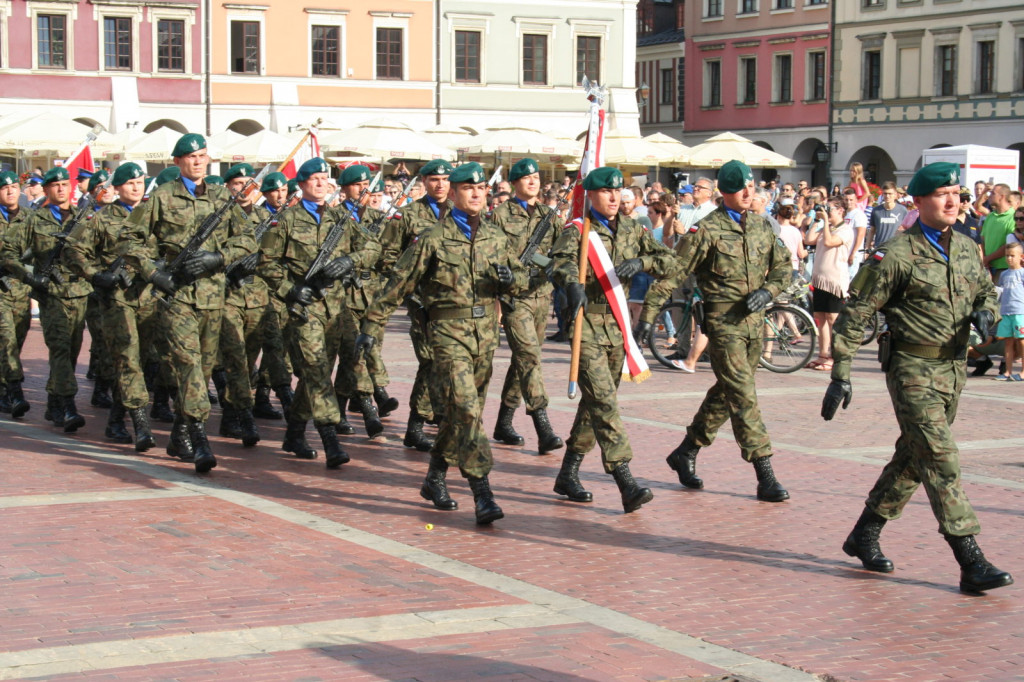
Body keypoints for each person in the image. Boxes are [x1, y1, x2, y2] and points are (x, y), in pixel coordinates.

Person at [822, 162, 1012, 594]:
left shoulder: (965, 246)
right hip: (912, 369)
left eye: (957, 194)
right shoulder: (896, 254)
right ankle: (970, 558)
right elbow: (856, 314)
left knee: (913, 459)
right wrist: (842, 372)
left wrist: (985, 309)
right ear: (919, 201)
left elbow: (984, 289)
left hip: (952, 370)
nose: (952, 201)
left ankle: (864, 533)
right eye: (942, 194)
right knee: (942, 459)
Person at [356, 162, 524, 525]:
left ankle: (434, 478)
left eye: (482, 188)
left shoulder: (496, 238)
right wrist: (371, 326)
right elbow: (398, 283)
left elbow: (521, 279)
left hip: (484, 338)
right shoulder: (433, 238)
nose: (477, 193)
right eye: (468, 188)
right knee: (465, 410)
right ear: (454, 193)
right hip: (447, 336)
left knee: (463, 415)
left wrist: (513, 279)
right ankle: (482, 491)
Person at [648, 160, 793, 502]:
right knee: (743, 396)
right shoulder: (707, 230)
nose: (748, 193)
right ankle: (765, 472)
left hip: (754, 325)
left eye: (751, 187)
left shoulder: (761, 226)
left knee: (728, 392)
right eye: (740, 188)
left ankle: (686, 450)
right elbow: (675, 269)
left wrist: (768, 291)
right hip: (723, 325)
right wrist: (647, 313)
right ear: (724, 193)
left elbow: (784, 268)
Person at [122, 133, 257, 474]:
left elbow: (247, 240)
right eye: (190, 156)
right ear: (177, 162)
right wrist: (154, 274)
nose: (198, 161)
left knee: (205, 368)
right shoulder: (162, 197)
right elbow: (129, 238)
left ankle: (179, 436)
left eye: (202, 155)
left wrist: (218, 257)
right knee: (190, 368)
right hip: (177, 297)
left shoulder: (220, 196)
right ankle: (199, 441)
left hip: (213, 297)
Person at [551, 166, 675, 513]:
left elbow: (668, 262)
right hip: (587, 327)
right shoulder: (579, 230)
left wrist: (642, 261)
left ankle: (568, 473)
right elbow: (556, 263)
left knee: (594, 407)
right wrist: (569, 281)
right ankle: (625, 480)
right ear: (590, 194)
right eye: (606, 192)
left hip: (617, 330)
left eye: (618, 191)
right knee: (605, 404)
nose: (613, 197)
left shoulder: (634, 229)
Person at [259, 157, 379, 467]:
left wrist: (350, 261)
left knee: (318, 373)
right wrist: (290, 289)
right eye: (313, 178)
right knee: (314, 368)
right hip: (305, 308)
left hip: (337, 310)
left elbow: (373, 248)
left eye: (325, 177)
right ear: (300, 184)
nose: (320, 183)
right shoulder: (286, 220)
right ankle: (330, 439)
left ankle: (295, 433)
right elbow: (265, 262)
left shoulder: (343, 218)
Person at [64, 162, 158, 450]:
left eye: (140, 181)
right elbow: (72, 249)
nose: (136, 186)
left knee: (141, 361)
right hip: (118, 298)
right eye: (129, 183)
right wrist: (96, 275)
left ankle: (116, 419)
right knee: (128, 359)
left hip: (150, 297)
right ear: (116, 187)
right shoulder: (101, 219)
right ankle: (141, 426)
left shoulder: (152, 215)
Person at [1, 167, 92, 432]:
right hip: (51, 295)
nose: (62, 189)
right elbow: (9, 253)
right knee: (60, 349)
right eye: (56, 185)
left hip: (79, 293)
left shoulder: (83, 218)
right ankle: (66, 405)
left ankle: (54, 401)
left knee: (72, 351)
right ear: (47, 189)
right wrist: (31, 277)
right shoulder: (34, 220)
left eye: (66, 184)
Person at [376, 159, 454, 451]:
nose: (441, 184)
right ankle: (416, 425)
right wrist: (408, 291)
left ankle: (442, 416)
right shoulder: (407, 215)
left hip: (454, 302)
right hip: (423, 303)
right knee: (430, 362)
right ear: (423, 181)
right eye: (434, 179)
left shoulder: (463, 214)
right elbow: (387, 257)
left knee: (451, 363)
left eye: (446, 179)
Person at [490, 158, 565, 455]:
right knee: (530, 357)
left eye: (535, 177)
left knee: (523, 360)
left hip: (540, 296)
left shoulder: (549, 216)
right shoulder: (499, 215)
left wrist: (551, 265)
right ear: (516, 183)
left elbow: (562, 252)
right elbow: (493, 253)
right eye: (526, 178)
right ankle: (542, 423)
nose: (532, 181)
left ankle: (503, 422)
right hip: (514, 297)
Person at [331, 164, 390, 439]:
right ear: (344, 189)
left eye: (366, 185)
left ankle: (339, 411)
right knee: (354, 354)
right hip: (343, 296)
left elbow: (388, 255)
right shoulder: (333, 218)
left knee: (358, 355)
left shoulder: (380, 219)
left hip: (372, 295)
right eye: (356, 185)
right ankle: (369, 409)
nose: (362, 190)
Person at [0, 170, 33, 417]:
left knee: (16, 342)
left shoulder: (31, 218)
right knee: (7, 340)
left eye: (14, 187)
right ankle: (15, 392)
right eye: (4, 188)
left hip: (21, 290)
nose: (10, 191)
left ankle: (3, 387)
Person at [807, 197, 853, 371]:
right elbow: (809, 239)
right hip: (820, 280)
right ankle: (822, 354)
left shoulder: (845, 230)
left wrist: (826, 222)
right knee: (820, 317)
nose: (828, 212)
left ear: (840, 210)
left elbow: (829, 242)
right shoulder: (827, 227)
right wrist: (818, 220)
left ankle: (835, 356)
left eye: (830, 209)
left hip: (834, 281)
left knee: (833, 318)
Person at [994, 241, 1024, 381]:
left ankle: (1023, 372)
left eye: (1012, 255)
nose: (1009, 258)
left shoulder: (1022, 273)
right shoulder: (1004, 275)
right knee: (1008, 342)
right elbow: (1001, 291)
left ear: (1021, 256)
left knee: (1021, 341)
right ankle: (1008, 371)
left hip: (1020, 311)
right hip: (1006, 312)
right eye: (1007, 256)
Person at [981, 184, 1016, 281]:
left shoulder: (1013, 217)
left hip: (1003, 269)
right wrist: (983, 259)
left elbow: (1009, 245)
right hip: (987, 268)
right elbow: (982, 240)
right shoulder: (990, 216)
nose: (989, 196)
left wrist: (988, 258)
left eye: (993, 193)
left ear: (1002, 197)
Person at [866, 181, 907, 249]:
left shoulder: (903, 210)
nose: (887, 196)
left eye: (890, 194)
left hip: (896, 249)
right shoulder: (876, 211)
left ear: (895, 195)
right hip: (879, 248)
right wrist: (867, 248)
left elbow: (907, 230)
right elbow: (872, 230)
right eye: (885, 193)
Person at [843, 188, 868, 278]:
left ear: (856, 200)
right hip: (843, 253)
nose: (849, 202)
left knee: (850, 279)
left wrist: (853, 253)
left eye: (851, 200)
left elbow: (861, 234)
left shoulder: (858, 214)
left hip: (853, 253)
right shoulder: (844, 214)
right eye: (846, 200)